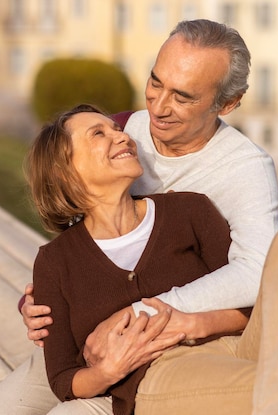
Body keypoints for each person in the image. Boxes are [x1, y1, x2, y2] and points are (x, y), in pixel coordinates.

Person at [0, 19, 278, 415]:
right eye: (155, 82)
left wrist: (163, 315)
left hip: (211, 339)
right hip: (103, 348)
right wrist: (40, 301)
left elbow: (258, 275)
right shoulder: (119, 133)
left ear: (227, 104)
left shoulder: (242, 172)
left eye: (183, 96)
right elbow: (70, 216)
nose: (158, 107)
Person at [25, 104, 248, 415]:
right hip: (160, 382)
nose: (122, 137)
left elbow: (249, 303)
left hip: (232, 354)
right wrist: (108, 372)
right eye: (98, 134)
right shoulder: (56, 262)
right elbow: (63, 379)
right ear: (65, 171)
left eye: (117, 129)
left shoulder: (190, 211)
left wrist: (189, 325)